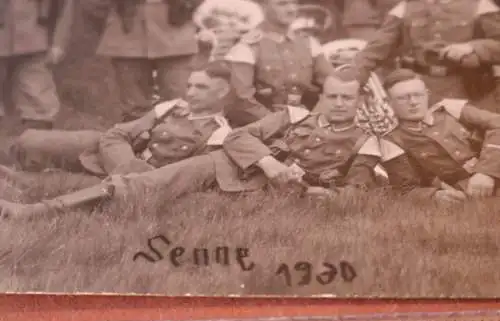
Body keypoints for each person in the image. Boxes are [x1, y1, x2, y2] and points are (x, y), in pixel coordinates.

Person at [0, 69, 383, 219]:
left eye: (346, 98)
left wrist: (317, 192)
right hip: (230, 167)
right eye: (331, 96)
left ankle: (41, 201)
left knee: (175, 203)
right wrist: (269, 163)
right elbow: (240, 136)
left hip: (272, 195)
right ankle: (36, 211)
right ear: (323, 96)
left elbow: (355, 190)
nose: (337, 104)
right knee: (145, 185)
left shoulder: (367, 141)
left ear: (359, 100)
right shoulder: (291, 117)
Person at [5, 62, 234, 181]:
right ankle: (14, 158)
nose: (191, 92)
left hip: (132, 180)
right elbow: (117, 134)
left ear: (222, 92)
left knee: (42, 184)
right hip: (111, 151)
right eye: (190, 85)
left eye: (201, 87)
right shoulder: (171, 107)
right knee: (30, 140)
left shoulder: (218, 134)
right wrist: (127, 168)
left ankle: (16, 173)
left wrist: (132, 178)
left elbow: (186, 176)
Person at [351, 0, 500, 112]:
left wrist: (473, 47)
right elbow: (376, 48)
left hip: (468, 91)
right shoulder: (406, 7)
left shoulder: (480, 5)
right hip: (417, 90)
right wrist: (353, 80)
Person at [378, 68, 500, 204]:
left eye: (418, 95)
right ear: (389, 103)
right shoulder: (393, 140)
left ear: (427, 94)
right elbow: (405, 188)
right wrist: (434, 196)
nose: (413, 102)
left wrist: (486, 172)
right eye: (402, 98)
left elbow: (497, 124)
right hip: (465, 193)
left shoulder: (451, 109)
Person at [85, 0, 203, 122]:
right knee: (134, 104)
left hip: (177, 30)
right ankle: (139, 137)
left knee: (176, 99)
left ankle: (178, 138)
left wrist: (188, 6)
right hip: (127, 32)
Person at [223, 0, 336, 127]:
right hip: (259, 128)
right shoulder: (247, 46)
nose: (291, 9)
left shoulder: (308, 43)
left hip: (305, 125)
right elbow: (241, 100)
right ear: (264, 6)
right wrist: (278, 124)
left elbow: (334, 84)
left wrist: (314, 118)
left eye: (294, 3)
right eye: (282, 4)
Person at [0, 0, 75, 129]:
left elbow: (65, 8)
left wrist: (59, 42)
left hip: (34, 40)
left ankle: (37, 138)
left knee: (38, 100)